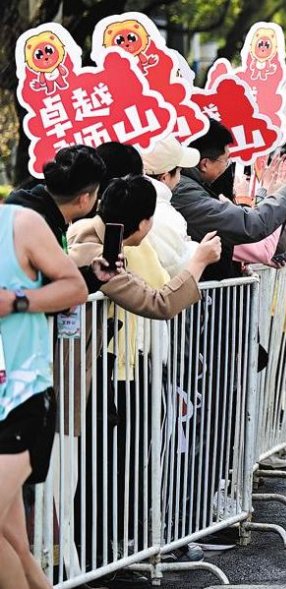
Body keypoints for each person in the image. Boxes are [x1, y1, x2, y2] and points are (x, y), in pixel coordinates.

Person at [0, 202, 88, 589]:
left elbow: (75, 288)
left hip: (22, 398)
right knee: (11, 541)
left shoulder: (21, 225)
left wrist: (17, 301)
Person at [173, 119, 286, 280]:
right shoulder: (186, 193)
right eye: (226, 160)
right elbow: (250, 225)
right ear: (205, 164)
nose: (227, 166)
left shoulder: (194, 188)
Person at [6, 145, 120, 293]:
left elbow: (49, 281)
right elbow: (47, 291)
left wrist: (92, 275)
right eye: (96, 193)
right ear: (84, 199)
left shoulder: (25, 206)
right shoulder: (38, 223)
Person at [141, 135, 202, 276]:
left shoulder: (123, 197)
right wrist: (197, 249)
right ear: (165, 176)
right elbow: (177, 267)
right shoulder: (163, 213)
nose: (180, 177)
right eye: (179, 171)